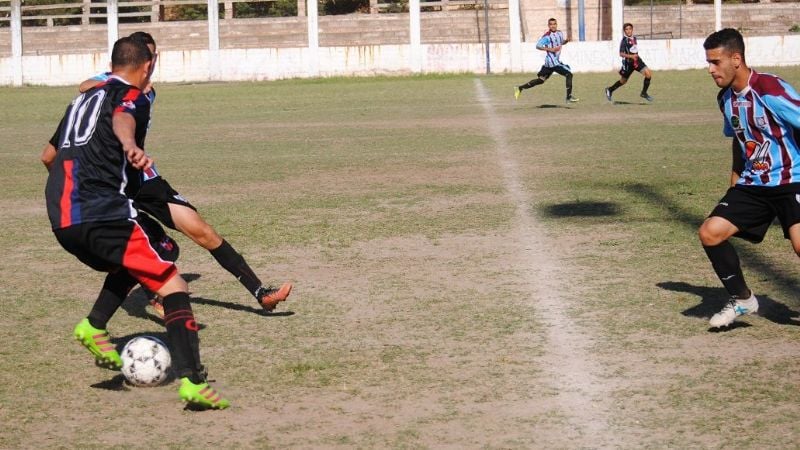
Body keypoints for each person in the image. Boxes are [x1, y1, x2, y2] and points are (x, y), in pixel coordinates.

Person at [44, 31, 293, 319]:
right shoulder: (115, 87)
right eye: (147, 57)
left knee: (202, 230)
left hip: (144, 179)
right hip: (111, 183)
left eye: (153, 56)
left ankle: (260, 292)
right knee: (150, 246)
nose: (151, 63)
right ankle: (153, 296)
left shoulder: (146, 91)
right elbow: (84, 86)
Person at [44, 36, 229, 408]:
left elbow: (48, 156)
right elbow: (123, 117)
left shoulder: (80, 101)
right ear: (148, 65)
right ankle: (193, 381)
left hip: (62, 217)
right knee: (173, 284)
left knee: (153, 249)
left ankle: (94, 325)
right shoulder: (133, 95)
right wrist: (129, 144)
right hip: (102, 211)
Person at [698, 28, 800, 328]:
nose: (710, 69)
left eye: (715, 62)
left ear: (736, 59)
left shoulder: (769, 88)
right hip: (753, 184)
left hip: (791, 179)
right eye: (708, 62)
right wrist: (735, 176)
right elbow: (738, 137)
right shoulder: (725, 99)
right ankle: (742, 299)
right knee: (710, 233)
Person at [514, 18, 579, 104]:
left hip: (549, 63)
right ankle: (568, 97)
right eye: (551, 24)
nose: (553, 26)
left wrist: (566, 41)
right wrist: (550, 49)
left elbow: (560, 42)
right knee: (569, 74)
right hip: (553, 63)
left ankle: (519, 88)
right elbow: (538, 46)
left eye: (554, 24)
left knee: (541, 80)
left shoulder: (560, 33)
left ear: (556, 24)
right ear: (548, 26)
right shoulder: (547, 36)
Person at [605, 23, 653, 103]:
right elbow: (621, 54)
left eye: (630, 29)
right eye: (626, 29)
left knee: (648, 74)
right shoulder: (624, 41)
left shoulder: (634, 38)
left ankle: (644, 93)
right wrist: (631, 56)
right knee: (623, 81)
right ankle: (610, 89)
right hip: (629, 63)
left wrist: (635, 56)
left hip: (637, 61)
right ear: (624, 31)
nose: (628, 31)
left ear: (632, 29)